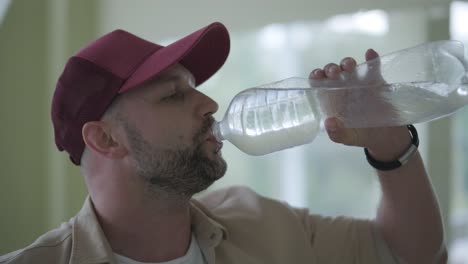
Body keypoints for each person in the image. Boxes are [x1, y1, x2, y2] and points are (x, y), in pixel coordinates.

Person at [0, 22, 447, 264]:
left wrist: (390, 144)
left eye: (195, 86)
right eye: (174, 94)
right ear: (105, 138)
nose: (210, 102)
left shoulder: (262, 223)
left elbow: (410, 252)